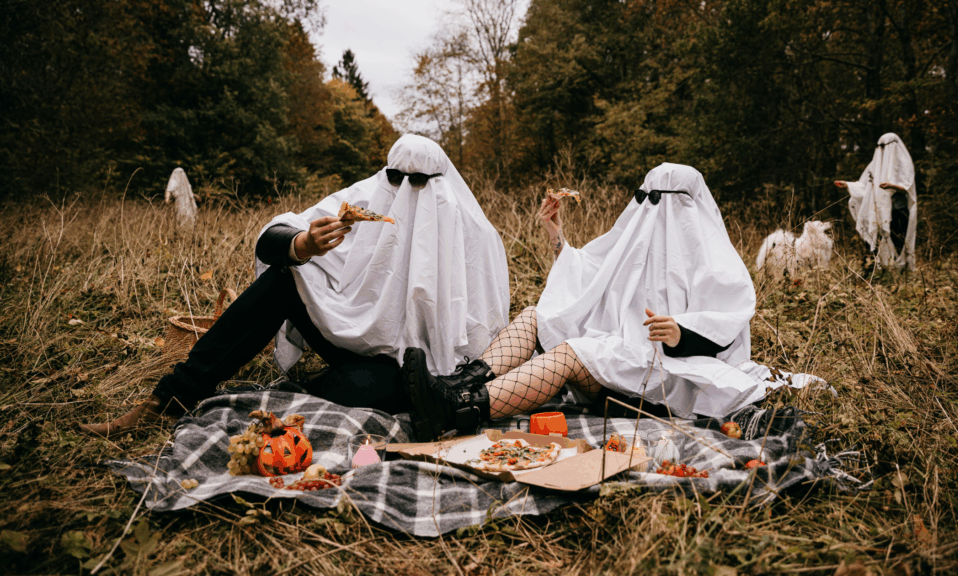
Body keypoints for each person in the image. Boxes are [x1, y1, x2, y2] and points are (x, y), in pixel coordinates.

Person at [80, 135, 510, 438]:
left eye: (418, 183)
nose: (405, 195)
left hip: (412, 373)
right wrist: (302, 244)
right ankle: (167, 400)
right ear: (385, 174)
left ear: (439, 183)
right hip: (350, 335)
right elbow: (272, 239)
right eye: (397, 179)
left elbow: (482, 332)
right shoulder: (370, 199)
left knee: (354, 391)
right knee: (286, 276)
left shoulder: (473, 234)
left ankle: (294, 397)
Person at [402, 163, 796, 440]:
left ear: (689, 202)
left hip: (665, 381)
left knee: (570, 353)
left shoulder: (712, 255)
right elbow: (588, 276)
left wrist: (682, 332)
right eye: (646, 196)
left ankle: (459, 408)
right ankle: (452, 385)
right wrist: (556, 234)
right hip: (618, 359)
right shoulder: (637, 233)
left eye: (662, 199)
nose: (651, 207)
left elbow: (729, 318)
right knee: (535, 316)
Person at [835, 133, 917, 270]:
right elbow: (865, 185)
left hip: (899, 210)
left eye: (885, 146)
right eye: (880, 147)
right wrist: (848, 184)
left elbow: (909, 188)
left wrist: (892, 186)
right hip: (880, 212)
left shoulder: (903, 162)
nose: (882, 150)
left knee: (899, 242)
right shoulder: (876, 163)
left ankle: (902, 273)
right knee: (882, 241)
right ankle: (884, 271)